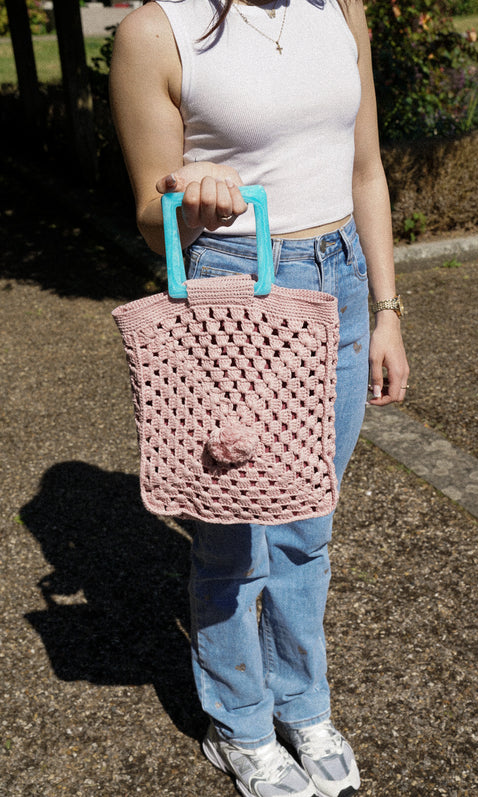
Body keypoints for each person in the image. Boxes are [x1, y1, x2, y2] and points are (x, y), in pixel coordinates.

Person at [110, 0, 409, 794]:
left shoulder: (341, 7)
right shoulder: (156, 31)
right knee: (233, 535)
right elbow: (149, 213)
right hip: (234, 287)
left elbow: (366, 169)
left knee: (309, 522)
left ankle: (302, 704)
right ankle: (239, 723)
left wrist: (386, 310)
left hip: (339, 277)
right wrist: (188, 196)